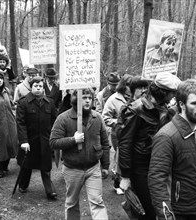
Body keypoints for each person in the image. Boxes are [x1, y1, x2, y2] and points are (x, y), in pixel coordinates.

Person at [148, 79, 196, 220]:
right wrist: (166, 216)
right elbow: (156, 180)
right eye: (195, 103)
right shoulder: (167, 136)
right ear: (181, 105)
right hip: (178, 212)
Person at [118, 72, 181, 220]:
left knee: (159, 207)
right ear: (163, 93)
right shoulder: (136, 109)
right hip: (141, 168)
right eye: (172, 93)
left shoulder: (164, 108)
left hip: (159, 164)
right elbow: (125, 143)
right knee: (147, 211)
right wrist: (126, 175)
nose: (173, 96)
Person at [50, 88, 110, 220]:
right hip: (72, 169)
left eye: (90, 98)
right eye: (84, 98)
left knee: (97, 202)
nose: (88, 100)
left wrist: (105, 165)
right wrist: (73, 140)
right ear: (76, 100)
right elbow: (53, 142)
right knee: (72, 203)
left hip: (93, 168)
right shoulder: (63, 118)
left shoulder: (97, 117)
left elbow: (105, 143)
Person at [16, 76, 57, 200]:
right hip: (29, 140)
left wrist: (53, 137)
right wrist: (23, 141)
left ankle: (50, 190)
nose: (38, 88)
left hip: (45, 139)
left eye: (40, 86)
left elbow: (54, 121)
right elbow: (20, 123)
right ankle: (23, 185)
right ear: (31, 87)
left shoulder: (49, 102)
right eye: (36, 86)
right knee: (27, 165)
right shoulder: (23, 102)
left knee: (46, 165)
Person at [102, 74, 133, 195]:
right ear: (124, 86)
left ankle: (128, 182)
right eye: (129, 85)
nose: (131, 88)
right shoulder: (114, 99)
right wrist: (120, 122)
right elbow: (105, 117)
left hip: (132, 133)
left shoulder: (136, 98)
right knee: (119, 158)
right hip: (119, 133)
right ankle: (116, 183)